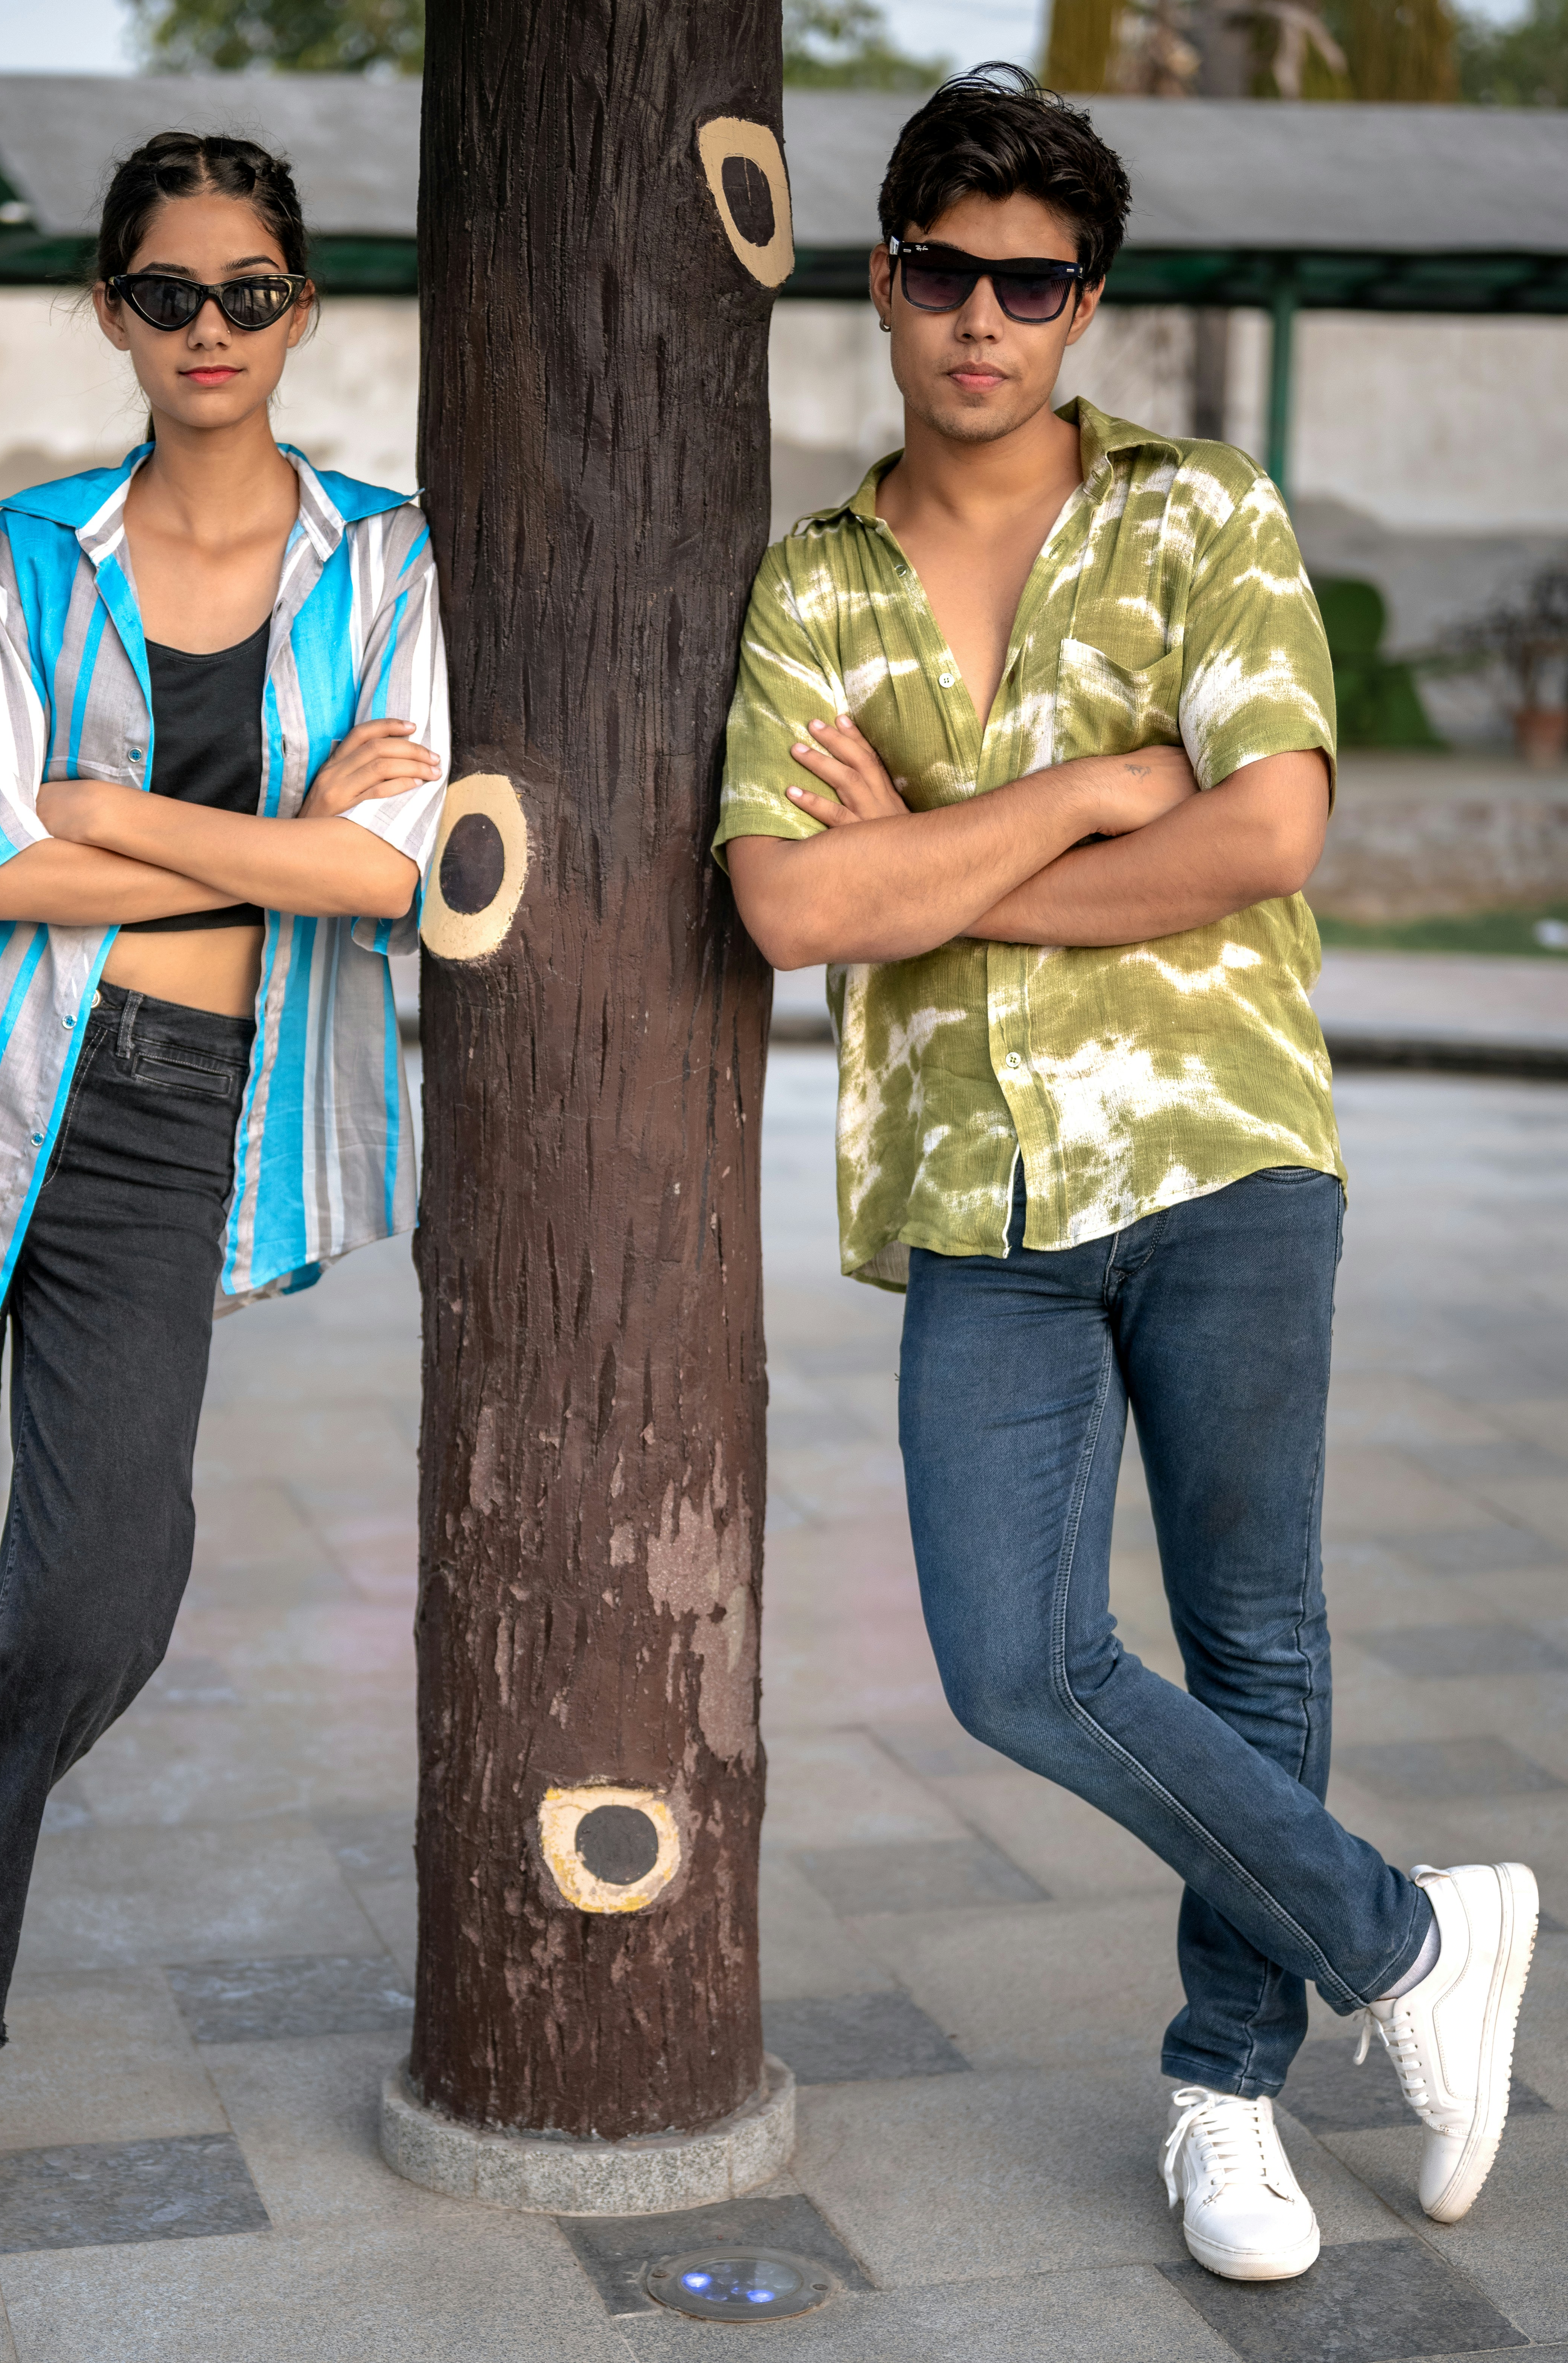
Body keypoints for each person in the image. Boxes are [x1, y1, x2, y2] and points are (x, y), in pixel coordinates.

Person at [717, 66, 1537, 2283]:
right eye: (945, 274)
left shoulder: (1206, 517)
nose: (985, 319)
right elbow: (795, 912)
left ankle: (1228, 2093)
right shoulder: (810, 584)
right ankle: (1411, 1938)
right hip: (973, 1191)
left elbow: (1265, 833)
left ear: (1087, 303)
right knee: (1013, 1658)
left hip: (1223, 1145)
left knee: (1252, 1629)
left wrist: (929, 864)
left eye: (1035, 282)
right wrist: (1094, 790)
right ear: (884, 284)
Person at [0, 130, 449, 2233]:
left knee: (96, 1591)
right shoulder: (38, 543)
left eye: (246, 292)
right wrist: (277, 822)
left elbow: (387, 878)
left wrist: (142, 819)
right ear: (110, 311)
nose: (207, 329)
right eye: (165, 292)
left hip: (176, 1116)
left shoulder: (389, 558)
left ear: (301, 312)